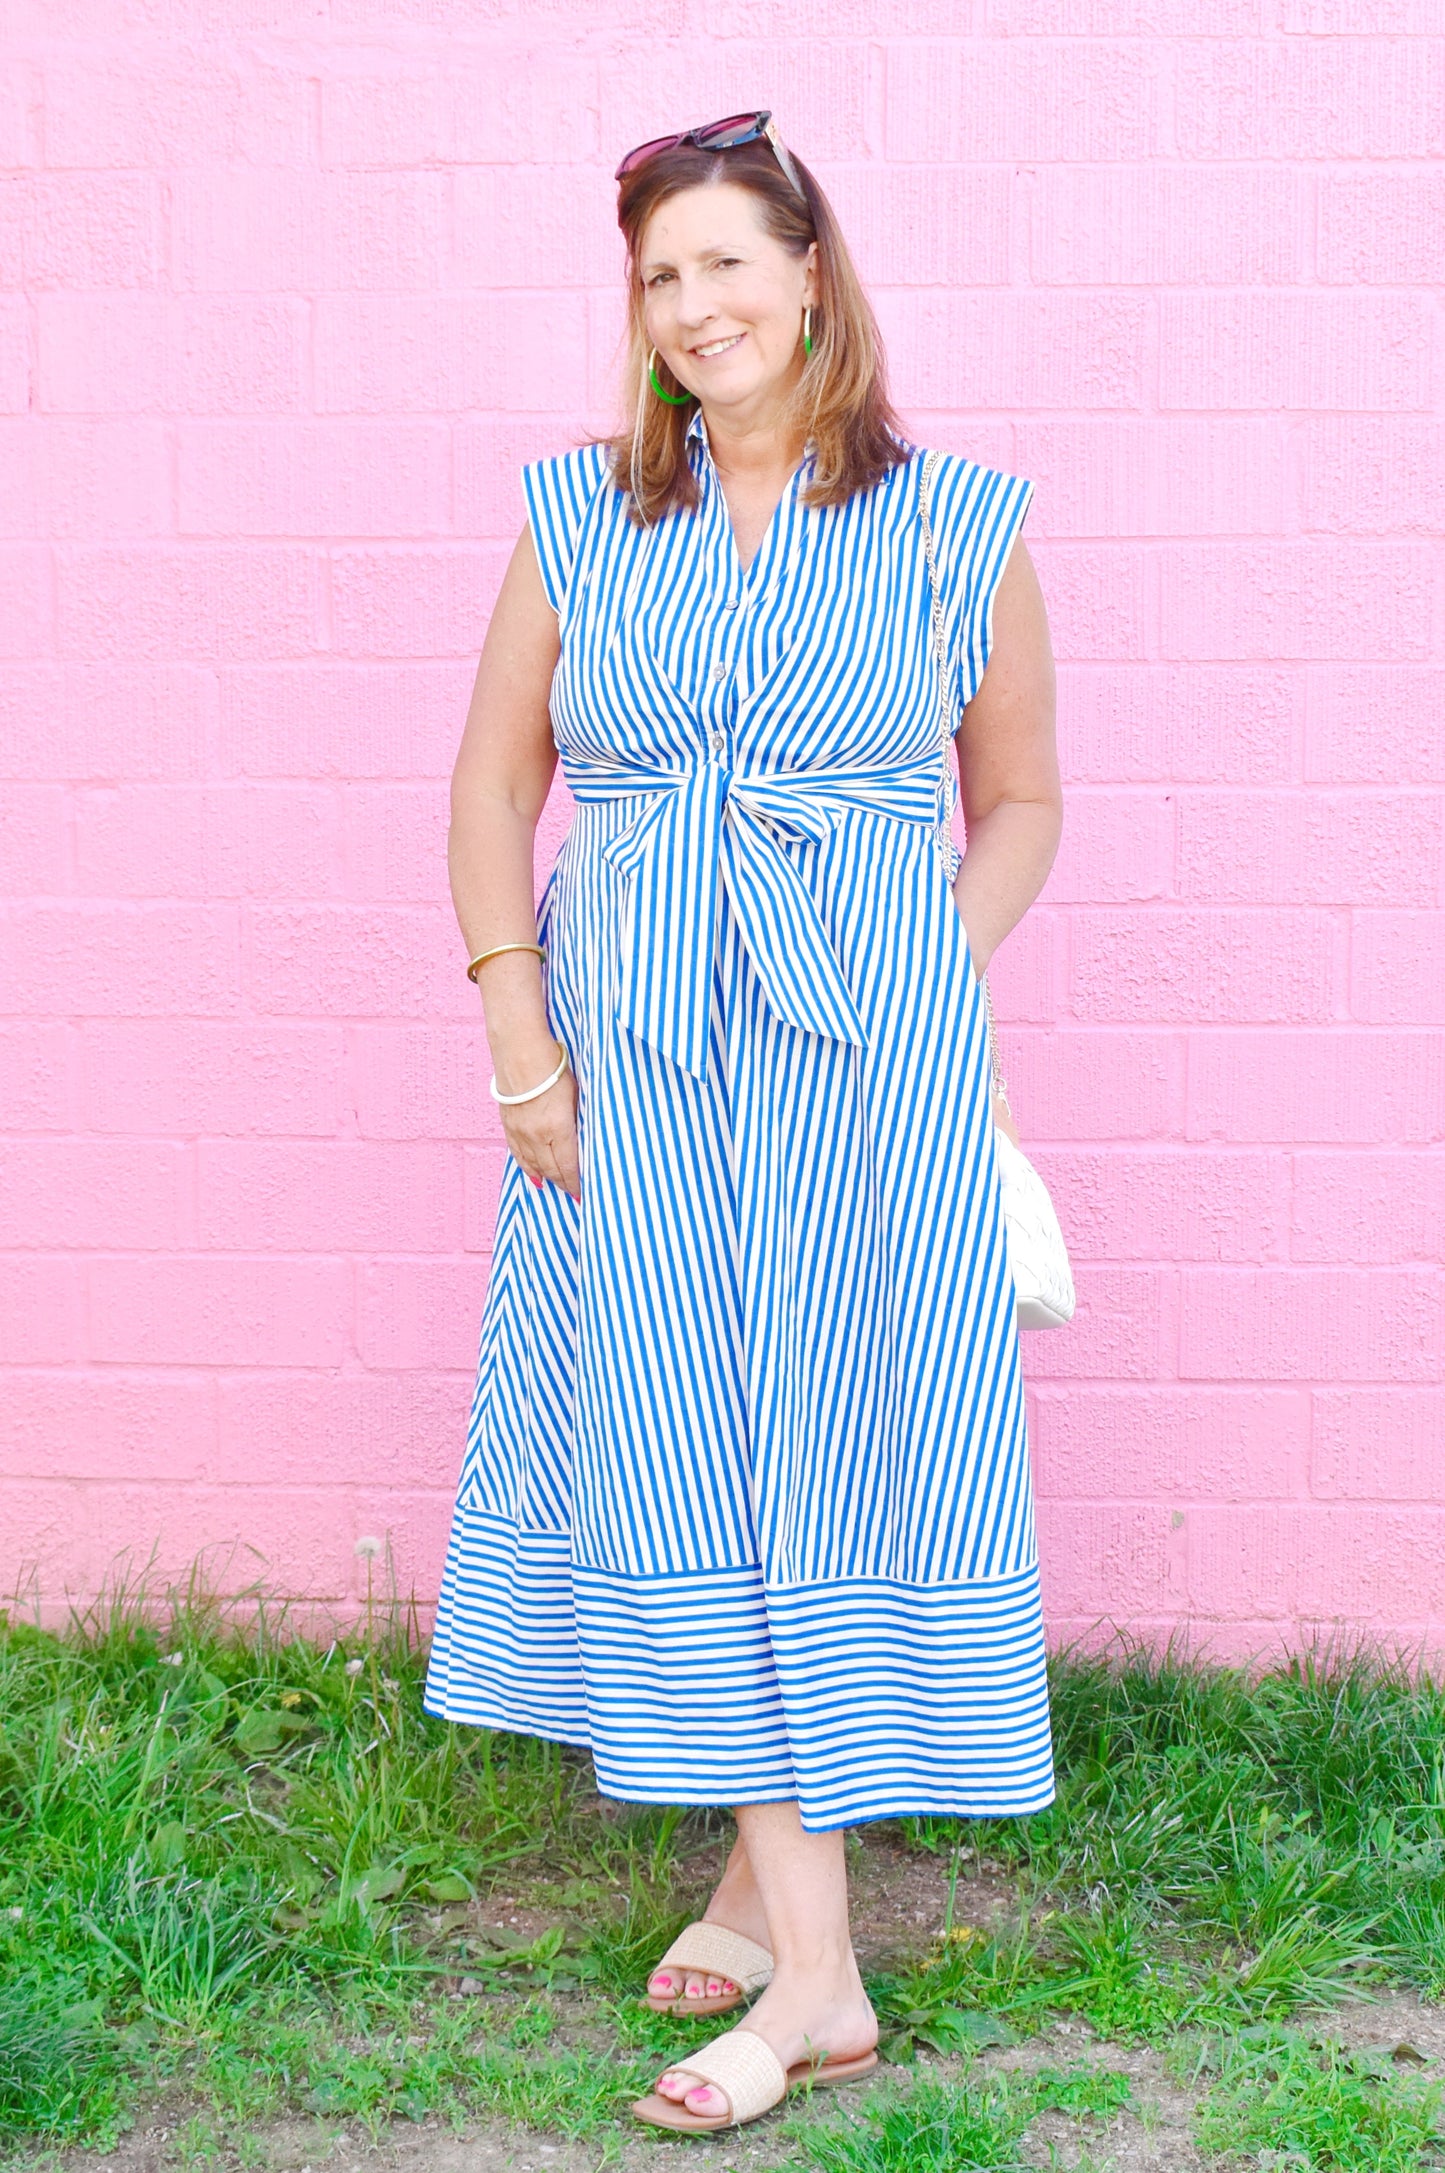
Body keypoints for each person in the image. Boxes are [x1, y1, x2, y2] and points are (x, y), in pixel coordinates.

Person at [423, 111, 1062, 2135]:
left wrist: (921, 964)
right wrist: (527, 1047)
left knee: (830, 1456)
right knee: (690, 1441)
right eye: (657, 280)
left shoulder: (960, 519)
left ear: (811, 274)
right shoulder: (581, 514)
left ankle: (810, 1977)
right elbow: (485, 796)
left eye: (726, 264)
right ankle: (809, 1946)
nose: (695, 308)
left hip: (860, 1068)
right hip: (634, 1067)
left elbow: (1026, 795)